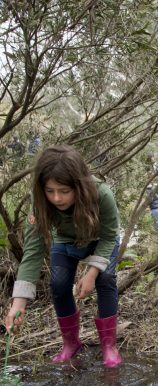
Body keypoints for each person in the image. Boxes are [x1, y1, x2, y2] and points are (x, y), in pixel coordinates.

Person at [3, 145, 123, 367]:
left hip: (101, 240)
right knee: (58, 284)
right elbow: (33, 251)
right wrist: (18, 303)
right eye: (50, 191)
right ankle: (71, 343)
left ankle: (109, 346)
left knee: (105, 279)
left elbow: (109, 237)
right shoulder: (39, 203)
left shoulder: (101, 194)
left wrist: (91, 273)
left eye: (64, 191)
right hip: (65, 241)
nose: (57, 198)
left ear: (79, 185)